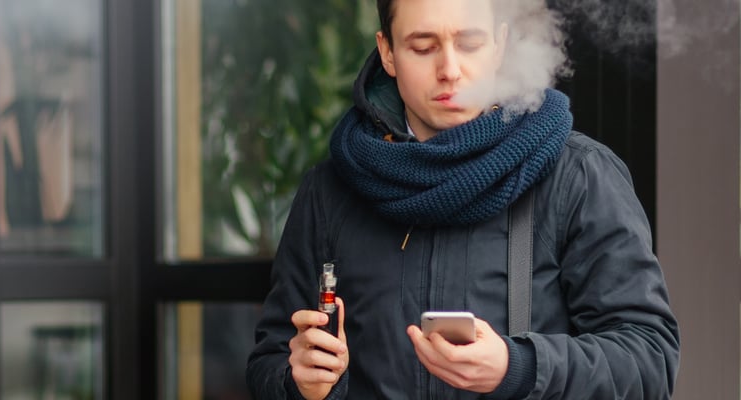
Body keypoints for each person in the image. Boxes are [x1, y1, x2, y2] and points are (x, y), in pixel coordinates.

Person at [247, 0, 680, 398]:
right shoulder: (329, 191)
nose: (449, 69)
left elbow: (649, 362)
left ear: (500, 46)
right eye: (422, 46)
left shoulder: (579, 175)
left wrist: (519, 367)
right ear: (388, 53)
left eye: (469, 44)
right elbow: (270, 359)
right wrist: (298, 381)